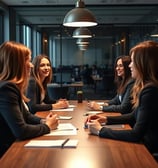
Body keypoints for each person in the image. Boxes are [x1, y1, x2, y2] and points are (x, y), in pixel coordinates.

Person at [85, 41, 158, 154]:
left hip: (148, 150)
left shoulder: (150, 90)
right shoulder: (147, 87)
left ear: (143, 64)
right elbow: (133, 116)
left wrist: (101, 130)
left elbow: (136, 134)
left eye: (133, 61)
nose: (129, 65)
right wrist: (106, 119)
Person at [0, 41, 58, 157]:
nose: (31, 65)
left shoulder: (11, 86)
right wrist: (47, 126)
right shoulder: (7, 88)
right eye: (27, 60)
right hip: (8, 153)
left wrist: (42, 121)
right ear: (16, 63)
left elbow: (26, 115)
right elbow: (21, 131)